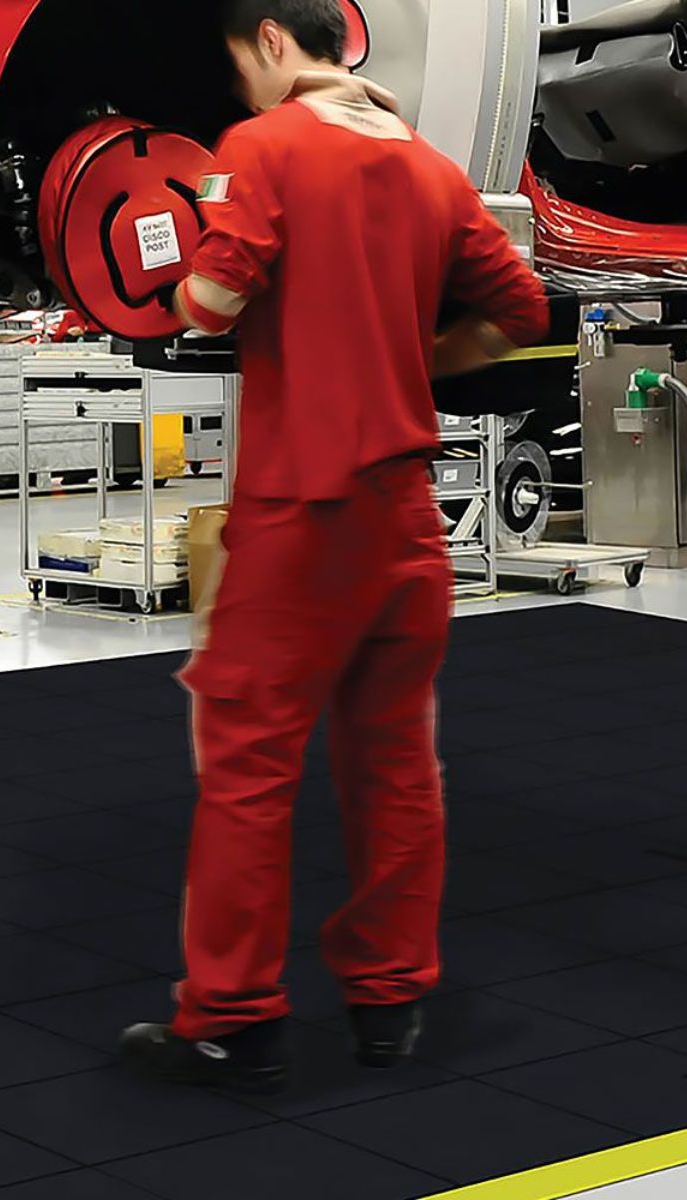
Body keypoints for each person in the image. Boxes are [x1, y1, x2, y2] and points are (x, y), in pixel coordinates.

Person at [121, 0, 549, 1091]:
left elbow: (212, 302)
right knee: (397, 765)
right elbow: (523, 310)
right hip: (405, 520)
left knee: (250, 769)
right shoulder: (430, 168)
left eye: (238, 69)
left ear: (272, 40)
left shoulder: (259, 148)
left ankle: (229, 1015)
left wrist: (170, 279)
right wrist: (413, 359)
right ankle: (389, 1001)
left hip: (299, 512)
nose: (239, 96)